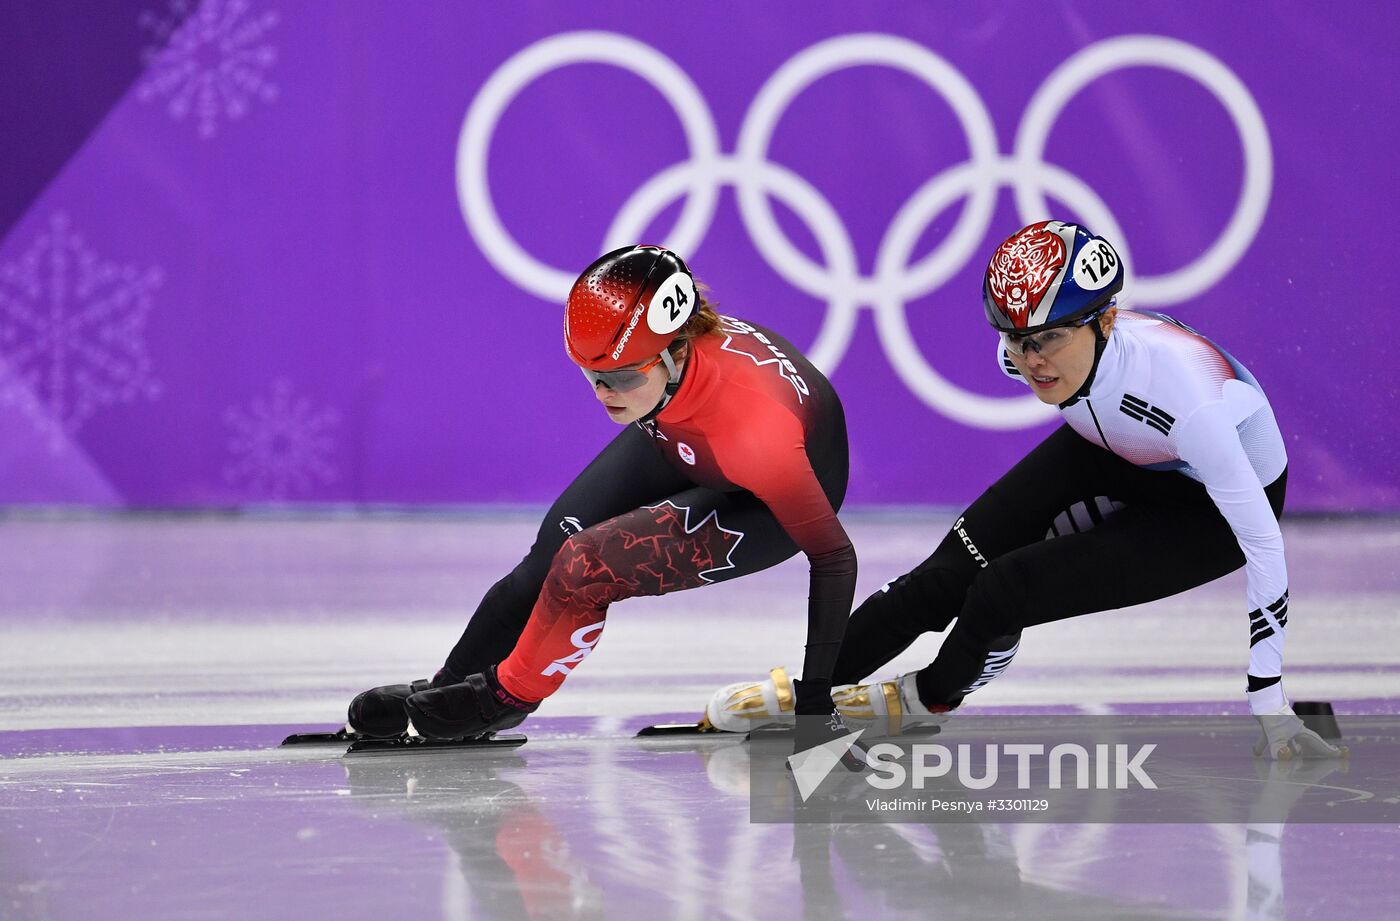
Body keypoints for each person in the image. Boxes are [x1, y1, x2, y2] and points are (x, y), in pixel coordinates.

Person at [707, 220, 1345, 760]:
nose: (1031, 360)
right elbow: (1048, 361)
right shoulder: (1027, 354)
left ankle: (926, 698)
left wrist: (1271, 703)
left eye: (1048, 340)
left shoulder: (1186, 399)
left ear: (1107, 320)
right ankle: (813, 688)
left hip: (1208, 509)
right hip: (1116, 449)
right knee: (938, 581)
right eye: (1016, 340)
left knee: (1004, 589)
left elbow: (1265, 545)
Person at [348, 244, 857, 744]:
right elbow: (634, 377)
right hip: (688, 433)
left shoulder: (757, 434)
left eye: (618, 376)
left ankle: (503, 699)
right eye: (590, 373)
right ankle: (449, 683)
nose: (602, 392)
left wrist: (816, 700)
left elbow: (835, 557)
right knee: (553, 546)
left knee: (586, 565)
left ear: (676, 351)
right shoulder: (659, 371)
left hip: (762, 503)